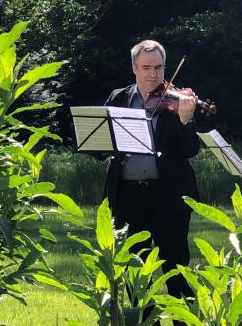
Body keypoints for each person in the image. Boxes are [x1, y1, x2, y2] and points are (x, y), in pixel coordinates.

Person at [102, 39, 199, 321]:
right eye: (146, 67)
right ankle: (142, 321)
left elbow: (190, 150)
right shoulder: (119, 98)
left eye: (158, 67)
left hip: (168, 196)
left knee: (175, 267)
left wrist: (186, 120)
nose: (153, 75)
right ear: (134, 68)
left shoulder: (178, 101)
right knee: (134, 269)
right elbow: (99, 146)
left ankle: (184, 319)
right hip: (128, 197)